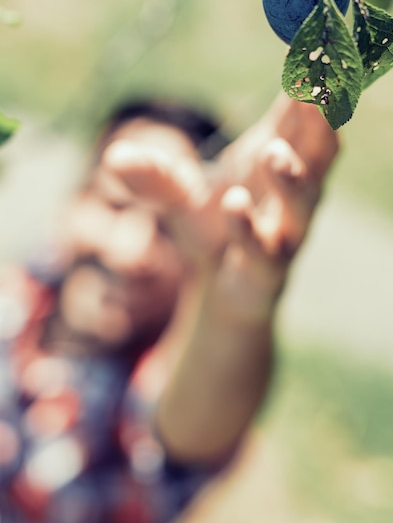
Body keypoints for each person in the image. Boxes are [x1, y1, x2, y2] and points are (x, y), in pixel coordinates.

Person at [0, 92, 338, 522]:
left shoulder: (157, 377)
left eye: (167, 230)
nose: (130, 250)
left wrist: (235, 301)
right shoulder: (23, 288)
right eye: (115, 203)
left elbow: (194, 419)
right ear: (75, 198)